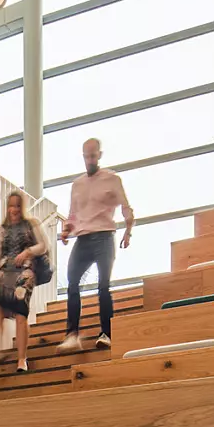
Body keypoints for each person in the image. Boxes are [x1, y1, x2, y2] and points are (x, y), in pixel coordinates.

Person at [59, 137, 134, 352]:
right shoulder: (77, 184)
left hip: (104, 237)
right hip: (83, 239)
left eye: (93, 155)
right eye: (86, 156)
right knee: (72, 283)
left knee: (103, 285)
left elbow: (126, 208)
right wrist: (66, 230)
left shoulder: (112, 179)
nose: (89, 160)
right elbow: (73, 215)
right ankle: (72, 334)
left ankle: (106, 333)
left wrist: (128, 232)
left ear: (99, 155)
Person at [0, 191, 49, 374]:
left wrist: (27, 252)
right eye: (10, 205)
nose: (13, 209)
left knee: (21, 312)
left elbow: (43, 245)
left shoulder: (32, 224)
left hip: (25, 270)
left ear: (22, 208)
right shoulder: (2, 229)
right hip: (5, 270)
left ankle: (22, 359)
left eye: (16, 205)